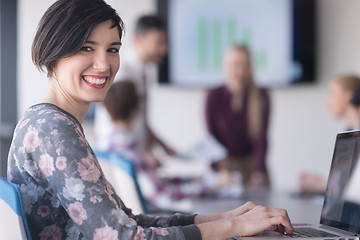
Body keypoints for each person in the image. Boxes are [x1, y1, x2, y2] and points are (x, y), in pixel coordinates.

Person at [7, 0, 293, 239]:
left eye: (113, 49)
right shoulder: (54, 130)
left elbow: (128, 221)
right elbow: (124, 236)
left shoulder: (49, 122)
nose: (104, 64)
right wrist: (234, 227)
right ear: (52, 51)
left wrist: (226, 216)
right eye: (86, 47)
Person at [102, 81, 242, 211]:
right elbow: (163, 196)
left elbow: (155, 184)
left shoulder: (109, 144)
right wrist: (212, 184)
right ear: (136, 108)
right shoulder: (128, 150)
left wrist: (195, 178)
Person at [94, 14, 173, 168]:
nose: (164, 49)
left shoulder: (146, 72)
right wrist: (142, 156)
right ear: (139, 40)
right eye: (159, 43)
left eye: (165, 42)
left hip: (135, 155)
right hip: (120, 157)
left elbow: (138, 118)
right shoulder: (121, 73)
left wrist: (160, 145)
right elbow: (116, 121)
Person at [205, 45, 270, 187]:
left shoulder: (261, 96)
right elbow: (211, 139)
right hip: (224, 169)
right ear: (225, 66)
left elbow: (261, 139)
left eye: (244, 65)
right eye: (235, 65)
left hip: (253, 168)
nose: (240, 71)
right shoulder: (213, 96)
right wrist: (217, 171)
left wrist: (258, 173)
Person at [299, 74, 360, 193]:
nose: (328, 102)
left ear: (348, 96)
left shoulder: (353, 135)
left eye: (332, 94)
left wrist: (321, 185)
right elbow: (347, 179)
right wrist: (321, 181)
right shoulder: (349, 132)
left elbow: (354, 185)